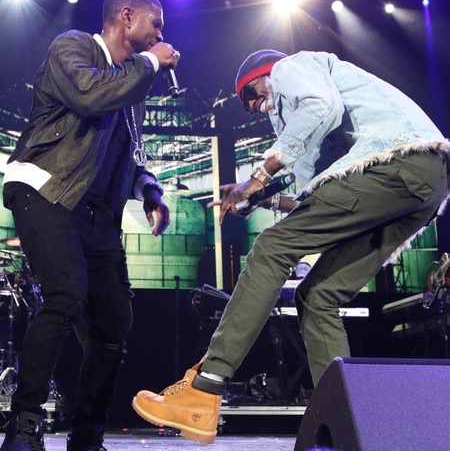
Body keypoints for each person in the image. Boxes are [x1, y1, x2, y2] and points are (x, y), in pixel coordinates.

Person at [132, 49, 450, 444]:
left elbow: (320, 106)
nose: (254, 106)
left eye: (250, 95)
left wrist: (260, 176)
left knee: (271, 246)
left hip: (397, 166)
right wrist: (264, 197)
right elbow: (330, 196)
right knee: (318, 295)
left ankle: (205, 388)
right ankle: (345, 426)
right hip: (420, 185)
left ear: (263, 73)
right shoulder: (336, 126)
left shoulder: (290, 66)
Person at [1, 0, 179, 451]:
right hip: (47, 191)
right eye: (156, 24)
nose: (161, 35)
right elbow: (90, 97)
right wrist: (151, 62)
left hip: (97, 214)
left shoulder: (131, 86)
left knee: (113, 324)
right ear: (127, 16)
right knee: (65, 296)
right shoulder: (74, 47)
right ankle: (23, 426)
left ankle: (86, 438)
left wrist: (150, 191)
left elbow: (130, 153)